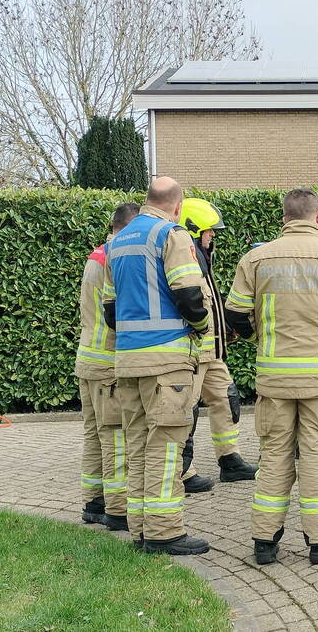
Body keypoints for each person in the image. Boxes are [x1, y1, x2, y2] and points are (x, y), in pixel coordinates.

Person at [225, 188, 318, 566]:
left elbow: (234, 315)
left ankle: (264, 542)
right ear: (317, 217)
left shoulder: (256, 259)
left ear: (283, 219)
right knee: (316, 457)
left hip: (274, 379)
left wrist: (255, 338)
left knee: (274, 454)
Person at [102, 176, 212, 556]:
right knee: (166, 448)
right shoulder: (172, 235)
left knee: (137, 447)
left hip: (127, 361)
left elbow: (110, 312)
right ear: (177, 205)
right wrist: (200, 329)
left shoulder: (116, 242)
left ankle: (140, 531)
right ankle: (164, 532)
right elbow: (189, 294)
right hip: (166, 362)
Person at [178, 198, 257, 487]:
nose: (213, 237)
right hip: (194, 352)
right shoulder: (184, 257)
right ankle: (183, 471)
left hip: (213, 353)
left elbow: (209, 303)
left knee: (227, 398)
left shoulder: (201, 258)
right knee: (186, 409)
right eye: (210, 231)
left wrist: (225, 329)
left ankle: (230, 460)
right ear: (193, 228)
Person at [76, 202, 139, 531]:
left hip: (87, 358)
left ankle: (93, 500)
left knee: (94, 434)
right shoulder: (118, 256)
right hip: (108, 362)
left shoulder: (96, 255)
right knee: (115, 437)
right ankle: (117, 509)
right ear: (130, 227)